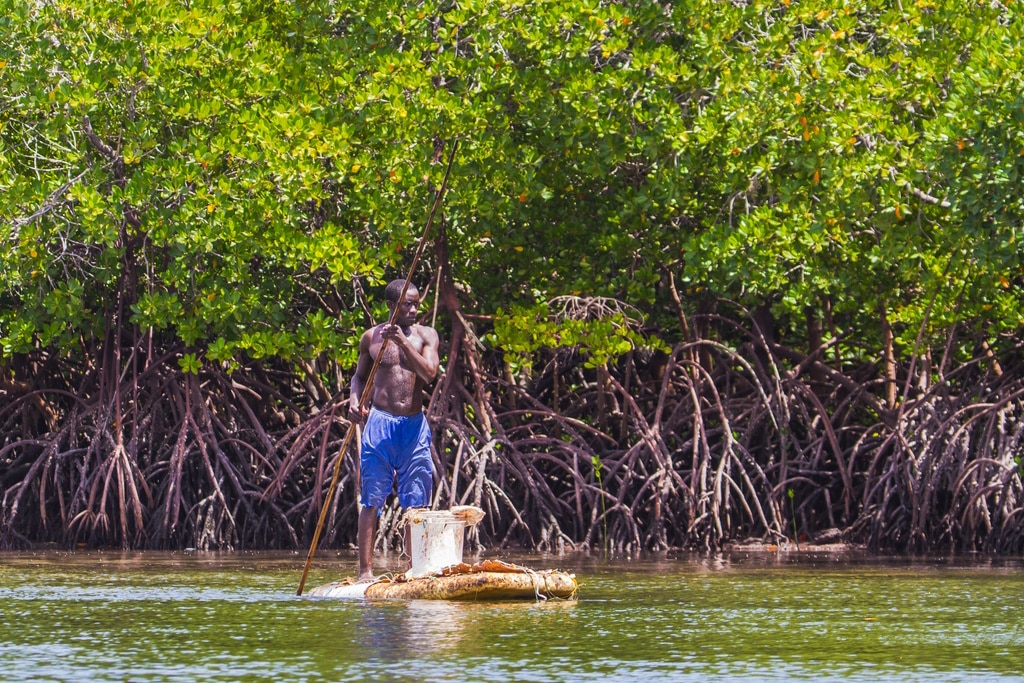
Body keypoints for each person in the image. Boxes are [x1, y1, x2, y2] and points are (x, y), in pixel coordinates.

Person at [348, 279, 440, 582]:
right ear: (391, 306)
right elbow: (358, 378)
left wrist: (402, 342)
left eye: (416, 303)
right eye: (407, 304)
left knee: (417, 503)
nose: (413, 309)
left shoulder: (427, 336)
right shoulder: (370, 338)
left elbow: (429, 373)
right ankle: (366, 572)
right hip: (380, 425)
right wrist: (353, 402)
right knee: (371, 499)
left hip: (413, 427)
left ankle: (417, 571)